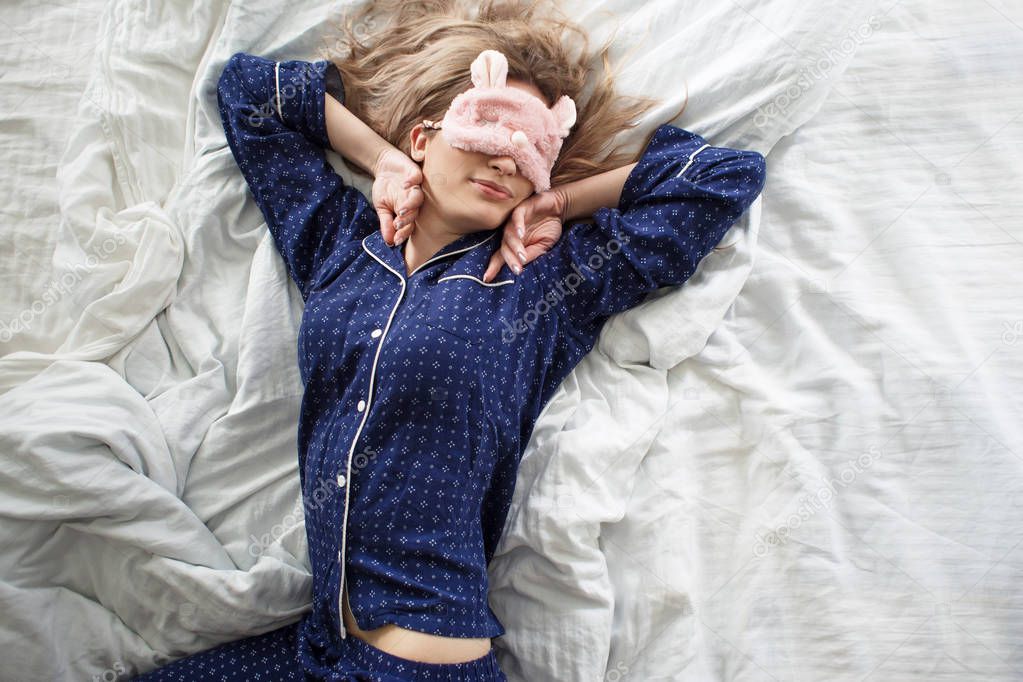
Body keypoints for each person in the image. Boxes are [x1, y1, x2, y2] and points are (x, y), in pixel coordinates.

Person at [132, 2, 765, 680]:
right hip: (317, 649)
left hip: (422, 663)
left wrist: (558, 203)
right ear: (423, 137)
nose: (507, 160)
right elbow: (250, 92)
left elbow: (720, 174)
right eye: (487, 130)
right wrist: (378, 160)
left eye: (530, 155)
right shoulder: (337, 247)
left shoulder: (542, 287)